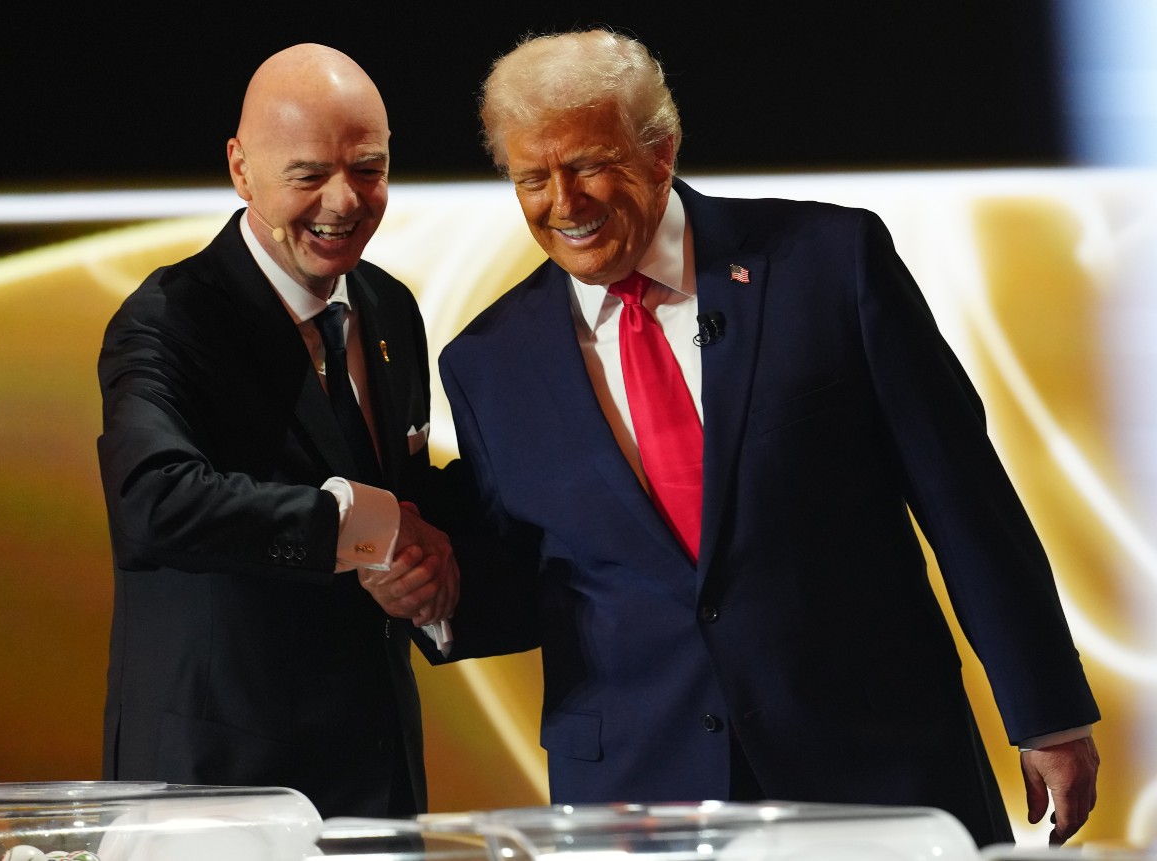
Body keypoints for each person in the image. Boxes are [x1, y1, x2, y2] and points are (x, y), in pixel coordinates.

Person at [438, 29, 1101, 847]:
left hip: (868, 759)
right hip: (638, 793)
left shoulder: (829, 263)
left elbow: (964, 499)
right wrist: (427, 596)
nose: (563, 202)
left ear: (660, 151)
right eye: (531, 177)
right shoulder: (485, 362)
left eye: (588, 164)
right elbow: (529, 582)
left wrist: (1047, 711)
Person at [97, 43, 458, 819]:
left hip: (376, 777)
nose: (344, 201)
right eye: (308, 174)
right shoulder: (167, 319)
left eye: (368, 168)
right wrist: (364, 525)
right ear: (240, 168)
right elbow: (152, 501)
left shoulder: (391, 307)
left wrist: (427, 581)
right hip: (219, 788)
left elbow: (410, 506)